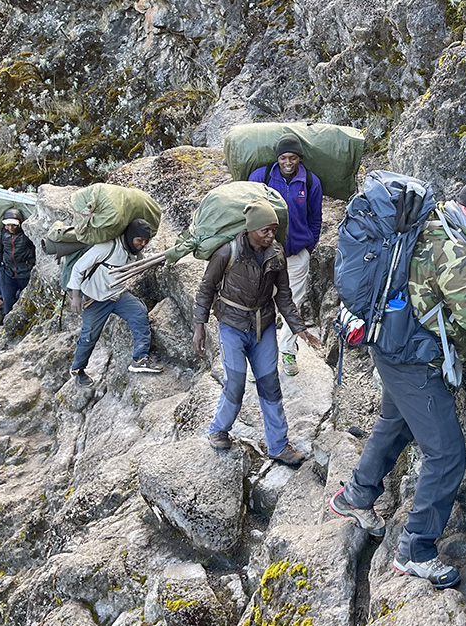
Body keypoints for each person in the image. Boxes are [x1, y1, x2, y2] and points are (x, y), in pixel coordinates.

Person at [327, 165, 466, 589]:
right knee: (447, 455)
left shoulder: (429, 223)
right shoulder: (455, 252)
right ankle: (416, 551)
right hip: (412, 360)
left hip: (388, 343)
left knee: (396, 424)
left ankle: (356, 496)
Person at [192, 199, 322, 466]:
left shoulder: (276, 254)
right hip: (232, 326)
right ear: (251, 230)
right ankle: (218, 428)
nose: (271, 235)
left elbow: (283, 296)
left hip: (263, 326)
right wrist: (199, 326)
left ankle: (278, 445)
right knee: (236, 384)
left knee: (270, 385)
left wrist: (300, 330)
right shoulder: (226, 253)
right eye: (266, 230)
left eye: (274, 230)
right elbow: (206, 289)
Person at [248, 135, 322, 377]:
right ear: (277, 158)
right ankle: (257, 360)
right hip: (266, 255)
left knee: (294, 304)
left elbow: (315, 218)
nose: (287, 162)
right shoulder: (262, 177)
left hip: (297, 255)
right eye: (283, 158)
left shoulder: (310, 181)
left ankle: (288, 350)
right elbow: (248, 212)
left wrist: (308, 244)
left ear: (299, 158)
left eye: (292, 158)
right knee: (259, 303)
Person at [68, 219, 164, 386]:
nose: (142, 244)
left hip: (117, 295)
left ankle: (140, 359)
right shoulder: (107, 247)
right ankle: (78, 370)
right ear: (130, 237)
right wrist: (76, 296)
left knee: (138, 312)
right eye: (139, 240)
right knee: (89, 336)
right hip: (94, 299)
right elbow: (78, 268)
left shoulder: (133, 253)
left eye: (145, 242)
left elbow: (140, 263)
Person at [0, 208, 36, 317]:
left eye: (13, 225)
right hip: (8, 272)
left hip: (25, 272)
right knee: (7, 301)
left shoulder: (26, 234)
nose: (10, 228)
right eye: (7, 225)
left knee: (27, 301)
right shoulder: (1, 234)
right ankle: (8, 325)